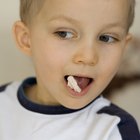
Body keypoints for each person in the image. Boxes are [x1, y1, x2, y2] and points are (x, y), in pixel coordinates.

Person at [0, 0, 140, 139]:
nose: (88, 56)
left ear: (123, 48)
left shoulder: (114, 130)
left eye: (106, 38)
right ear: (26, 39)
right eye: (64, 34)